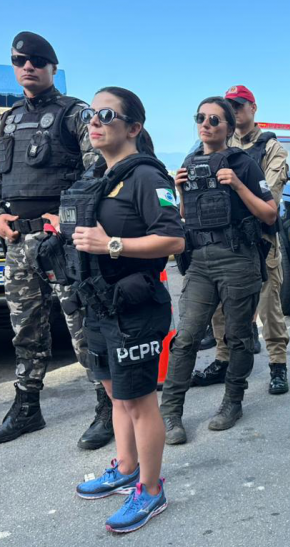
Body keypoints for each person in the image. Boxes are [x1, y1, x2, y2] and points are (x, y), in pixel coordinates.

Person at [0, 31, 111, 449]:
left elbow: (100, 170)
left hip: (62, 244)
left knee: (82, 326)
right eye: (20, 60)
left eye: (37, 59)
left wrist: (69, 218)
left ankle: (106, 406)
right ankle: (26, 408)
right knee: (26, 329)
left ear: (53, 67)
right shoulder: (9, 119)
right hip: (19, 242)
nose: (28, 66)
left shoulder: (76, 113)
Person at [65, 87, 184, 533]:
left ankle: (151, 491)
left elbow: (173, 239)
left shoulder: (148, 177)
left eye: (106, 114)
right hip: (99, 303)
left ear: (133, 127)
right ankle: (127, 467)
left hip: (135, 306)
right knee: (115, 394)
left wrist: (111, 244)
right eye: (91, 115)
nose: (95, 121)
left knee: (139, 399)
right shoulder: (99, 176)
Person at [160, 97, 277, 443]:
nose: (206, 124)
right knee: (186, 337)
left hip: (237, 257)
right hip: (199, 260)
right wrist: (179, 191)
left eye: (215, 119)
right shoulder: (187, 163)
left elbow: (271, 215)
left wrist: (238, 185)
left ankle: (232, 401)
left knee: (238, 337)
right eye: (201, 117)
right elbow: (183, 219)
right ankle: (171, 414)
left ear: (228, 127)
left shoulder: (243, 162)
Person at [190, 85, 290, 396]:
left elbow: (269, 199)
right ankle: (223, 360)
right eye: (229, 105)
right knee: (220, 307)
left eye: (240, 105)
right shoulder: (214, 143)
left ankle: (278, 365)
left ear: (253, 107)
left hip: (257, 238)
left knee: (268, 304)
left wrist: (236, 187)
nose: (235, 110)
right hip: (222, 240)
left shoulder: (271, 148)